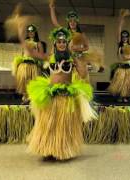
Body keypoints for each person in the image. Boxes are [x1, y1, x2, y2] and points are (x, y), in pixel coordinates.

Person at [26, 27, 96, 161]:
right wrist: (20, 32)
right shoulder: (50, 57)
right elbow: (31, 52)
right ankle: (48, 149)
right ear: (55, 44)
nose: (62, 44)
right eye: (59, 42)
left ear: (67, 43)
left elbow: (82, 74)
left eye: (64, 42)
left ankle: (62, 150)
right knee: (49, 124)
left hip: (66, 95)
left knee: (64, 125)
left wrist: (80, 62)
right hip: (51, 95)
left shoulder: (72, 58)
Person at [107, 9, 130, 102]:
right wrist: (121, 18)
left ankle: (126, 97)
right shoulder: (120, 45)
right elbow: (118, 31)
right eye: (123, 37)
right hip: (122, 67)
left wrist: (129, 57)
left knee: (128, 84)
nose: (124, 38)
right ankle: (121, 96)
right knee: (120, 83)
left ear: (128, 37)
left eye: (126, 37)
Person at [12, 24, 45, 104]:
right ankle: (25, 97)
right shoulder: (25, 42)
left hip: (34, 66)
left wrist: (38, 60)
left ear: (35, 32)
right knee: (24, 81)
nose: (30, 33)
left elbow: (41, 56)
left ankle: (32, 98)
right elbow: (23, 54)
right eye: (29, 31)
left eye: (32, 31)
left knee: (33, 82)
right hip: (24, 65)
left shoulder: (38, 43)